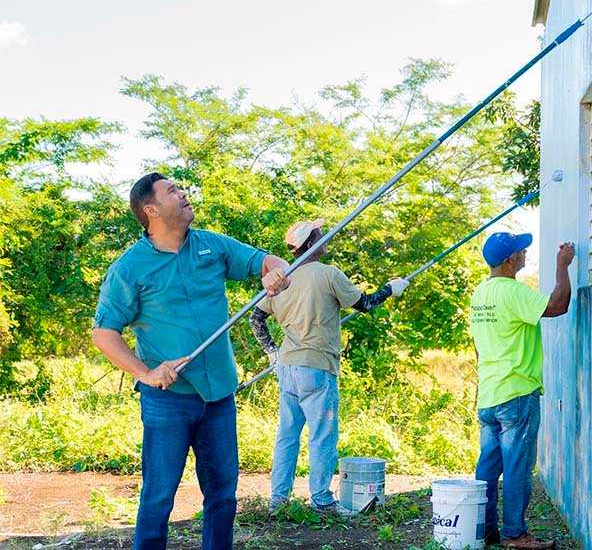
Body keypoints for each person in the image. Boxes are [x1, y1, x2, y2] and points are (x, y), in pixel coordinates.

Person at [92, 172, 290, 550]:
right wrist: (147, 373)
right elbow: (104, 333)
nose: (183, 195)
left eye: (181, 189)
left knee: (222, 496)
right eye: (173, 191)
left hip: (219, 395)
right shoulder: (129, 268)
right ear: (150, 209)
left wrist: (276, 273)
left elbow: (267, 261)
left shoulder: (211, 246)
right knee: (158, 498)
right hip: (168, 399)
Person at [249, 218, 409, 512]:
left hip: (287, 367)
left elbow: (255, 319)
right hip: (317, 367)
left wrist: (272, 351)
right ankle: (321, 499)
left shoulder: (281, 278)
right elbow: (365, 304)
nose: (326, 236)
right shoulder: (327, 274)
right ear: (311, 243)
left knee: (287, 435)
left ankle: (278, 500)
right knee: (322, 436)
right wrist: (391, 288)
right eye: (321, 234)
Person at [469, 232, 575, 549]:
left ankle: (484, 528)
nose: (524, 253)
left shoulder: (480, 294)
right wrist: (562, 265)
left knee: (488, 466)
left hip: (489, 394)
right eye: (520, 250)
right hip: (516, 393)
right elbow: (558, 305)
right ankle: (515, 533)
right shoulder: (511, 292)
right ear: (508, 261)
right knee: (517, 466)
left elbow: (478, 345)